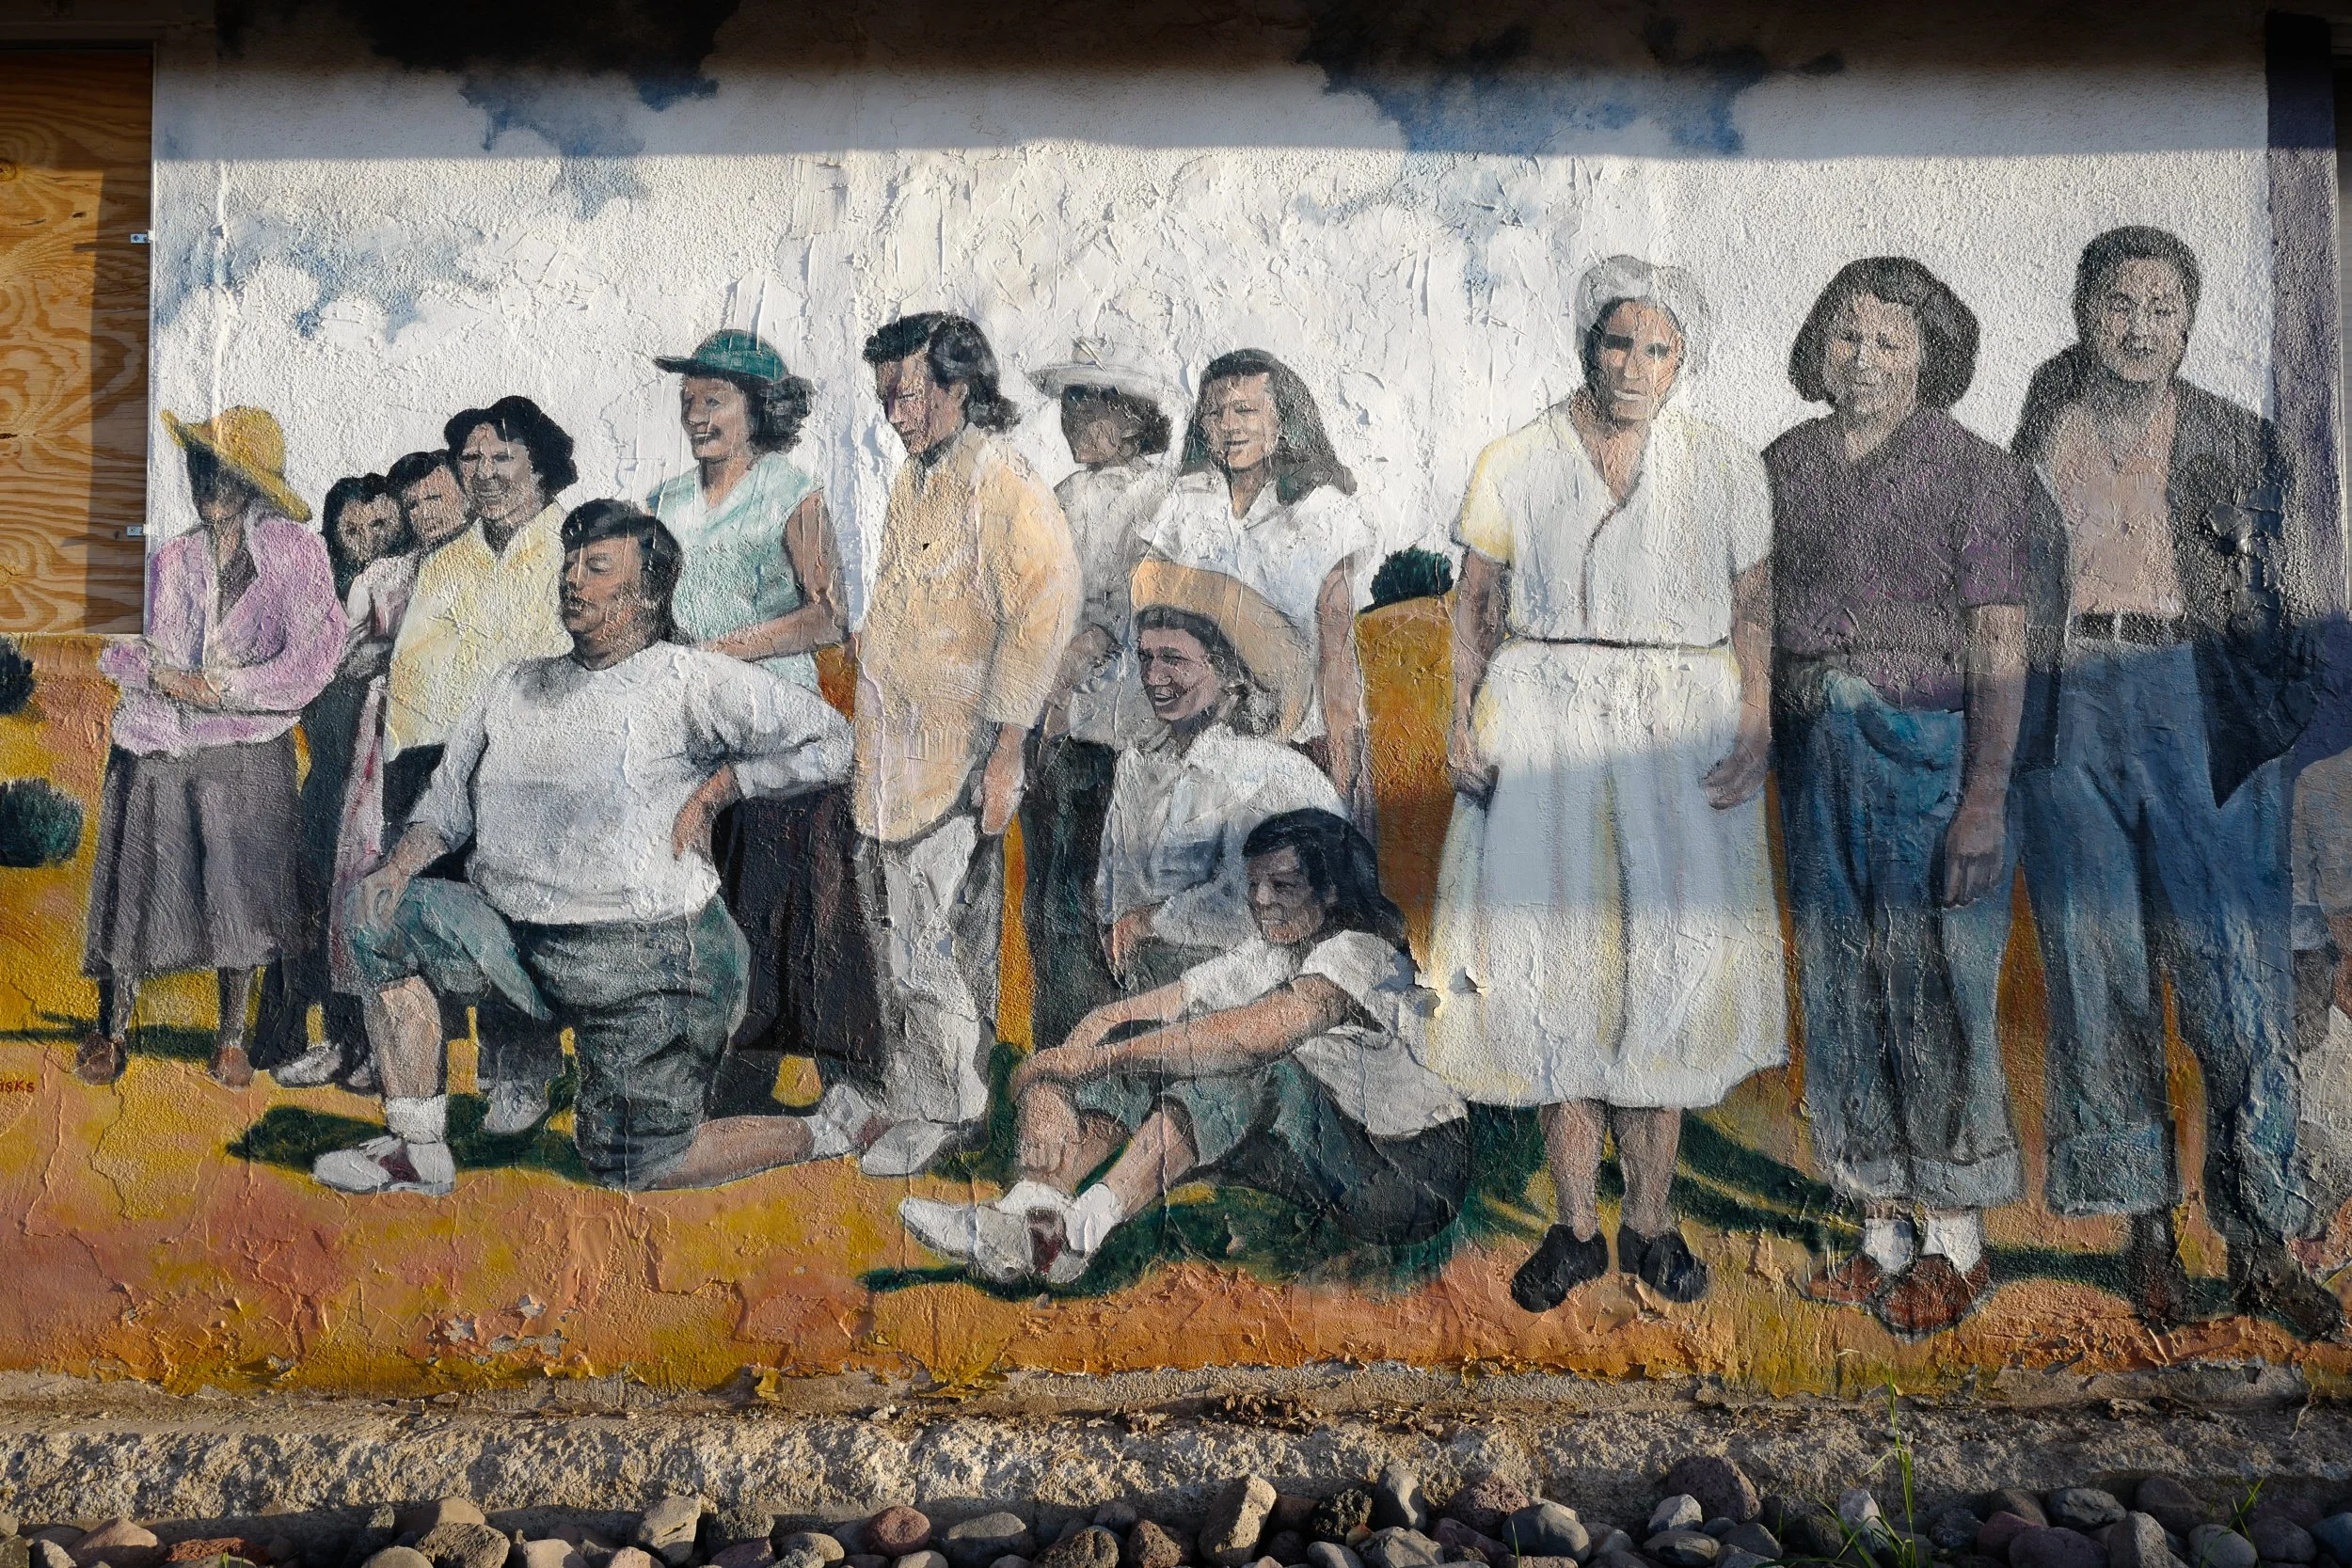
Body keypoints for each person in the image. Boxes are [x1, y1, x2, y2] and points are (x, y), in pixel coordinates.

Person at [1421, 256, 1785, 1312]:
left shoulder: (1723, 467)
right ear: (1588, 346)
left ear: (1684, 359)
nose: (1634, 366)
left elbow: (1752, 605)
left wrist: (1755, 718)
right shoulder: (1517, 458)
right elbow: (1474, 603)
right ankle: (1576, 1224)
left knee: (1662, 969)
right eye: (1618, 342)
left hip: (1679, 720)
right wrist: (1457, 717)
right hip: (1543, 715)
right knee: (1551, 970)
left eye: (1657, 347)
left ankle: (1652, 1223)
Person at [310, 501, 853, 1195]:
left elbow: (834, 743)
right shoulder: (512, 683)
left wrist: (726, 784)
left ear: (648, 594)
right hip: (517, 943)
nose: (572, 579)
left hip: (654, 961)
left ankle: (827, 1128)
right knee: (377, 911)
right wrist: (401, 864)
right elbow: (443, 811)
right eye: (570, 563)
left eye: (596, 568)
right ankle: (416, 1147)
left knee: (632, 1162)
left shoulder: (692, 678)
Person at [2010, 226, 2341, 1339]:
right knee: (2098, 977)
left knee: (2234, 989)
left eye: (2160, 307)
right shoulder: (2042, 423)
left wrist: (2258, 730)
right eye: (2118, 303)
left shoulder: (2235, 440)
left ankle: (2258, 1238)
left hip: (2195, 710)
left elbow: (2295, 607)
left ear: (2187, 324)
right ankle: (2143, 1230)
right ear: (2081, 311)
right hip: (2070, 714)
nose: (2138, 326)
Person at [1767, 257, 2031, 1338]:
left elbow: (2001, 639)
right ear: (1817, 349)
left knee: (1935, 994)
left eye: (1888, 340)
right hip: (1815, 749)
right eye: (1845, 336)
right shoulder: (1784, 463)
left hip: (1930, 755)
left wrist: (1984, 798)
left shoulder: (1976, 472)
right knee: (1839, 985)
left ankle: (1957, 1244)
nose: (1863, 357)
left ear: (1932, 353)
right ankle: (1881, 1231)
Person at [898, 809, 1469, 1286]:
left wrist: (1092, 1058)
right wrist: (1084, 1042)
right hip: (1325, 1151)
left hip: (1405, 1180)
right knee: (1134, 1051)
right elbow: (1166, 1002)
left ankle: (1079, 1232)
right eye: (1254, 885)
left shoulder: (1358, 953)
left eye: (1282, 886)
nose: (1261, 901)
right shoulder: (1273, 949)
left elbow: (1249, 1037)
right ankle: (1028, 1210)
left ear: (1330, 890)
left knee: (1248, 1070)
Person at [848, 311, 1081, 1178]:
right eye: (884, 401)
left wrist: (1008, 749)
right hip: (892, 759)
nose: (895, 415)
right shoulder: (915, 480)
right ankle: (916, 1092)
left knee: (936, 942)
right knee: (897, 932)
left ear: (957, 388)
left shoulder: (1005, 483)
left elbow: (1043, 611)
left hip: (961, 761)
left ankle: (952, 1107)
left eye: (906, 396)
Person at [645, 329, 876, 1117]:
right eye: (688, 403)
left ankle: (823, 1075)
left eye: (715, 401)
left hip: (778, 714)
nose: (698, 416)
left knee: (786, 896)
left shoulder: (791, 488)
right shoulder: (665, 503)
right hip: (697, 719)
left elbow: (828, 617)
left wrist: (726, 650)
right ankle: (725, 1066)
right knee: (706, 895)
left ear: (758, 409)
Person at [80, 407, 345, 1089]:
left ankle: (231, 1036)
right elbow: (123, 650)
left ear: (253, 482)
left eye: (224, 469)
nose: (209, 481)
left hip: (248, 744)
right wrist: (160, 677)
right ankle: (114, 1027)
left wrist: (218, 688)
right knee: (137, 886)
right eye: (200, 465)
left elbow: (313, 660)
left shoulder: (295, 551)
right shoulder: (171, 556)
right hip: (161, 740)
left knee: (242, 892)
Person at [381, 397, 577, 1135]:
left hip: (530, 765)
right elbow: (415, 670)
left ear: (537, 462)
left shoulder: (569, 538)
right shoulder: (450, 557)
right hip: (433, 765)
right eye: (471, 460)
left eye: (501, 457)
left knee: (514, 921)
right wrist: (408, 768)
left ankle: (523, 1075)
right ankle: (424, 1091)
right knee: (442, 924)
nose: (486, 473)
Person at [1020, 338, 1180, 1051]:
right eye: (1070, 405)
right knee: (1050, 894)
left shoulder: (1159, 494)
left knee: (1104, 889)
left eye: (1093, 405)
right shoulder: (1060, 497)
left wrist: (1064, 676)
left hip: (1123, 728)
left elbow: (1125, 611)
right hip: (1058, 725)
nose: (1075, 421)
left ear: (1135, 417)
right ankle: (1059, 1050)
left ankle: (1113, 1048)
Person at [1142, 349, 1375, 829]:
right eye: (1215, 411)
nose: (1229, 424)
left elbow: (1336, 653)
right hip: (1192, 747)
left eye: (1245, 410)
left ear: (1281, 419)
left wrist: (1343, 771)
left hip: (1290, 746)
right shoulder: (1186, 504)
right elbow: (1148, 599)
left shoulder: (1324, 514)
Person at [1094, 562, 1342, 999]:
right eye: (1146, 658)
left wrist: (1149, 923)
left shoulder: (1266, 773)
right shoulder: (1138, 767)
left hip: (1250, 989)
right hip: (1144, 984)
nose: (1154, 677)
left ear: (1227, 674)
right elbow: (1113, 888)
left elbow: (1244, 908)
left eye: (1174, 659)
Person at [256, 473, 411, 1085]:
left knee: (357, 908)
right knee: (304, 900)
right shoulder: (318, 589)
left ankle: (353, 1040)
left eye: (379, 526)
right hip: (329, 773)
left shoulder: (402, 584)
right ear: (332, 530)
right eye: (352, 528)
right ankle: (279, 1034)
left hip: (377, 777)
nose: (367, 539)